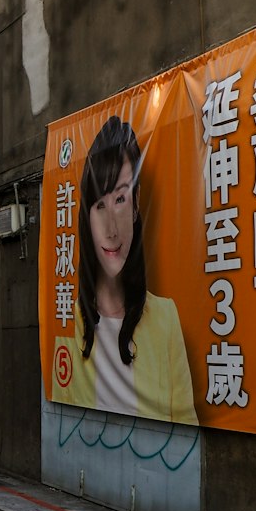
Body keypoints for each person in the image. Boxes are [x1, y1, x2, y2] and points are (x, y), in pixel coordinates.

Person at [53, 115, 196, 424]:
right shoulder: (69, 322)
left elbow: (187, 429)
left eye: (120, 198)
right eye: (99, 206)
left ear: (136, 205)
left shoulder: (166, 319)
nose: (111, 229)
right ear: (86, 217)